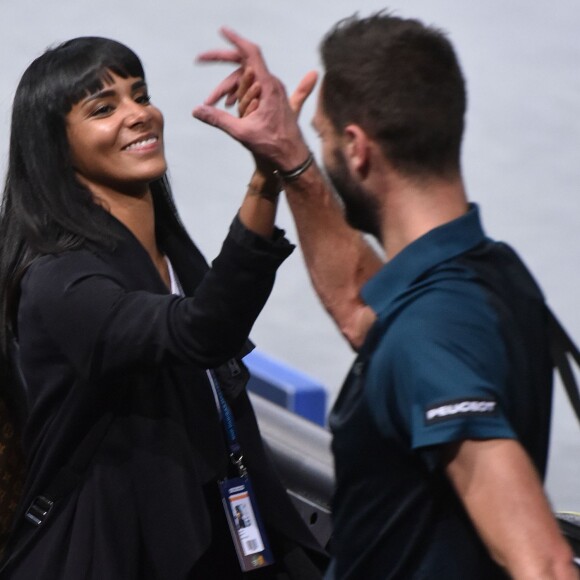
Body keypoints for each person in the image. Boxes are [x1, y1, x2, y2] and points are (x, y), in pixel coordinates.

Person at [192, 12, 580, 579]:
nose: (320, 150)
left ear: (357, 149)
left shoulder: (429, 335)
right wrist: (290, 157)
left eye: (323, 137)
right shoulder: (490, 272)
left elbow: (542, 563)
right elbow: (358, 306)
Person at [0, 36, 326, 579]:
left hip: (211, 530)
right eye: (104, 108)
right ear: (54, 147)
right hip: (111, 553)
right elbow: (201, 333)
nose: (140, 115)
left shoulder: (170, 251)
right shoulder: (58, 282)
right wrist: (267, 176)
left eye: (140, 95)